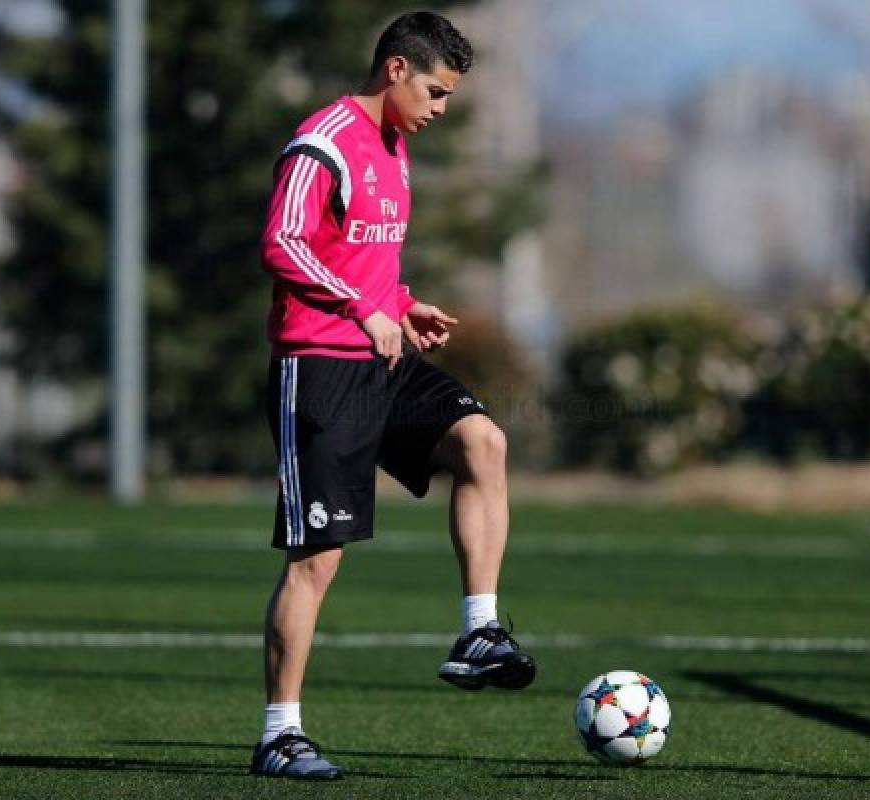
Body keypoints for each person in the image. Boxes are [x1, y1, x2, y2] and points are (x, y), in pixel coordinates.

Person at [248, 10, 536, 782]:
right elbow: (283, 241)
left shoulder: (395, 148)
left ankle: (478, 632)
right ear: (397, 71)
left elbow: (364, 252)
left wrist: (401, 302)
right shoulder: (324, 141)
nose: (441, 109)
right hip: (322, 367)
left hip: (384, 357)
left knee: (484, 441)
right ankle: (280, 734)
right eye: (437, 92)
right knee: (317, 562)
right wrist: (362, 308)